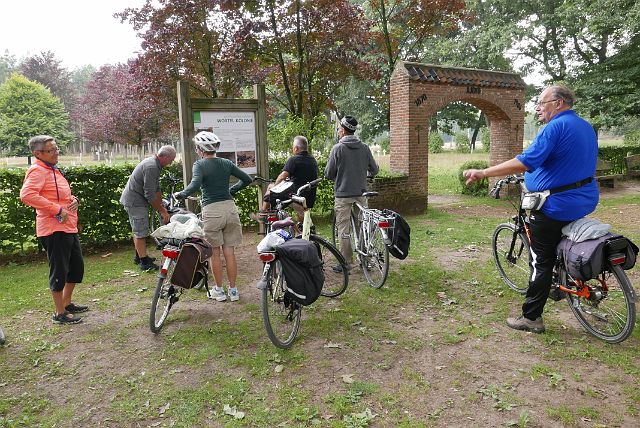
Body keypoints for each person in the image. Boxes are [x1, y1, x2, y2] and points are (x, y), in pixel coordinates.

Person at [463, 84, 599, 334]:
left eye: (542, 103)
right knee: (565, 244)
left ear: (558, 103)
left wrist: (483, 172)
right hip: (584, 200)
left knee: (541, 260)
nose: (538, 108)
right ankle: (573, 286)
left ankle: (531, 318)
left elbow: (526, 161)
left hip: (555, 205)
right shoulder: (585, 126)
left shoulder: (555, 126)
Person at [175, 131, 253, 302]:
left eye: (197, 147)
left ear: (201, 149)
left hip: (212, 211)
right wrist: (232, 190)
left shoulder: (200, 165)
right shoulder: (226, 163)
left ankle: (219, 290)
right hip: (230, 209)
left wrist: (181, 194)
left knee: (215, 253)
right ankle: (234, 291)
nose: (196, 150)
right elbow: (247, 179)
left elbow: (195, 184)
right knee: (230, 253)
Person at [20, 135, 88, 324]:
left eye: (57, 148)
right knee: (59, 270)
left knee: (76, 267)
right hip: (53, 230)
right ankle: (59, 313)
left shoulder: (52, 169)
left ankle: (66, 303)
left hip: (68, 226)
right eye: (52, 150)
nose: (57, 152)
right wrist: (56, 209)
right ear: (38, 153)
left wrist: (73, 200)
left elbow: (57, 194)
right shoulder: (37, 171)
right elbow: (27, 195)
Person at [325, 115, 379, 270]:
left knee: (344, 229)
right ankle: (366, 259)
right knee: (364, 226)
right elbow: (374, 169)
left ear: (343, 130)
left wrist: (339, 177)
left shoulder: (337, 149)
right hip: (361, 194)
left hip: (343, 195)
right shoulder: (364, 148)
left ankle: (346, 263)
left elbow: (328, 173)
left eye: (338, 129)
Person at [120, 146, 176, 270]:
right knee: (140, 232)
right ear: (164, 157)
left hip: (137, 200)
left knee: (139, 229)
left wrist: (161, 204)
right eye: (171, 160)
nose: (171, 163)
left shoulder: (155, 164)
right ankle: (144, 263)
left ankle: (139, 256)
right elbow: (149, 194)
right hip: (135, 202)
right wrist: (162, 211)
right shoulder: (151, 167)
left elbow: (156, 188)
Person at [260, 136, 318, 222]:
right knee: (301, 220)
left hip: (296, 197)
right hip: (309, 198)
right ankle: (299, 231)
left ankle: (262, 214)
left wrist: (275, 187)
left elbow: (283, 176)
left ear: (296, 148)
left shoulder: (293, 159)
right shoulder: (313, 160)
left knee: (270, 187)